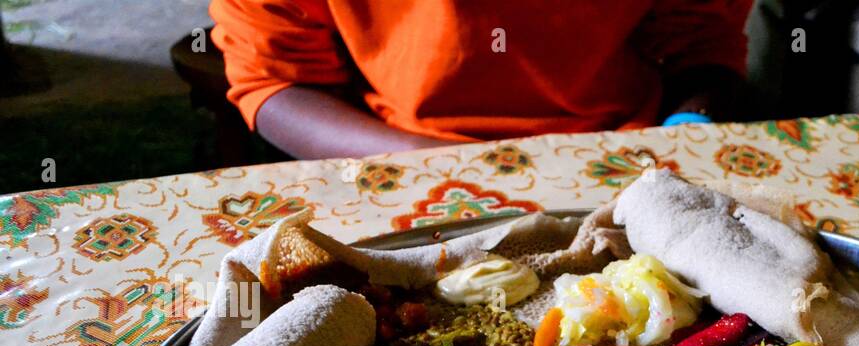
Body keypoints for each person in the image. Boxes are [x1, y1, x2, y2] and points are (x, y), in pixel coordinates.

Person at [210, 0, 753, 159]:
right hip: (397, 156)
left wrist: (686, 133)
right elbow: (274, 79)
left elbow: (701, 36)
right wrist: (453, 165)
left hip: (624, 149)